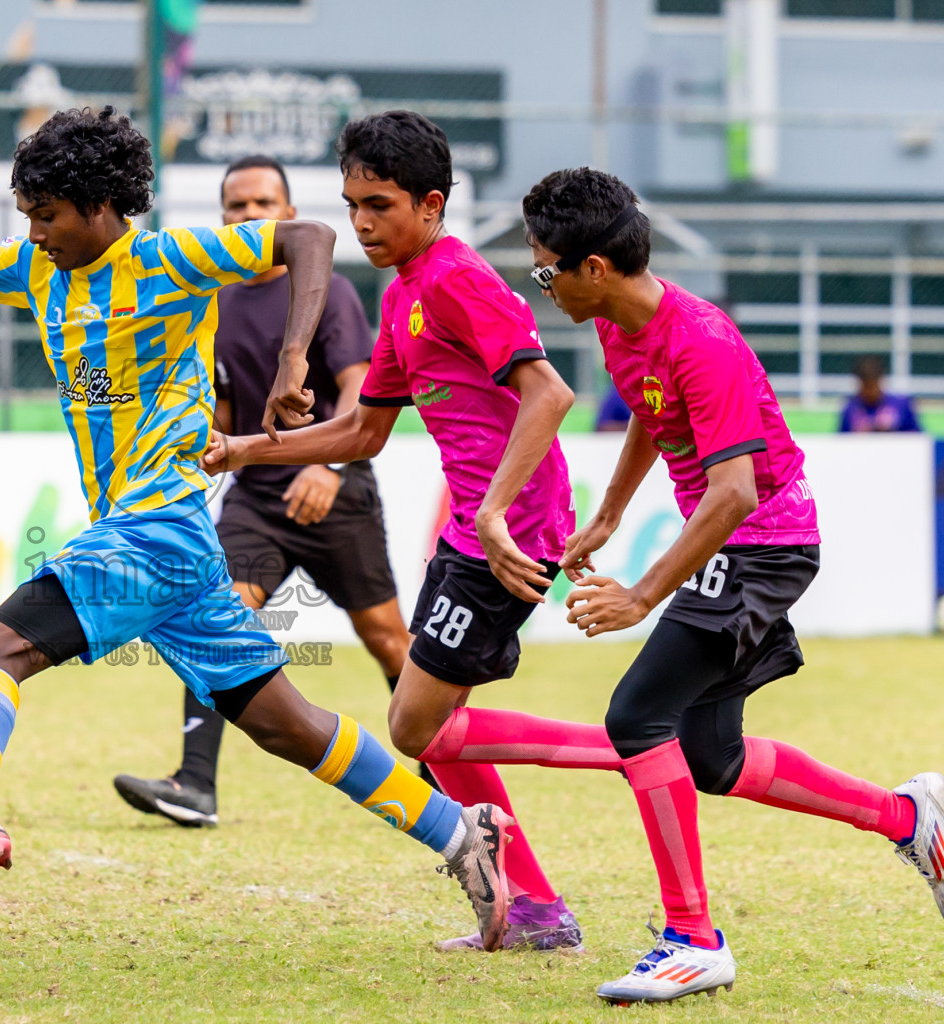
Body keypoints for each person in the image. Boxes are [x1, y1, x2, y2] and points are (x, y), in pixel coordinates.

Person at [0, 106, 517, 949]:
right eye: (27, 216)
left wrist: (295, 359)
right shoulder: (36, 266)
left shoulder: (168, 259)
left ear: (101, 207)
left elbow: (312, 241)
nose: (33, 233)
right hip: (173, 550)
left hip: (156, 529)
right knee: (283, 722)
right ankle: (458, 832)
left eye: (47, 216)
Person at [508, 166, 944, 1003]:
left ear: (592, 268)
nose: (542, 285)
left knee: (637, 716)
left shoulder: (700, 338)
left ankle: (692, 938)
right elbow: (648, 407)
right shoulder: (618, 324)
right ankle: (910, 819)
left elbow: (735, 492)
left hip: (763, 544)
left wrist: (639, 595)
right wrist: (607, 516)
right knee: (712, 757)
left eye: (544, 270)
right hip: (738, 541)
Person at [203, 111, 588, 952]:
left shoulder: (454, 277)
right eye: (351, 205)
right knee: (431, 724)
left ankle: (630, 751)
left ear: (431, 203)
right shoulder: (405, 292)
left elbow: (550, 395)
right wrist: (240, 450)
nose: (362, 223)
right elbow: (362, 433)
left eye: (379, 204)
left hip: (511, 531)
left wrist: (488, 512)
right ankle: (536, 908)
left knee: (416, 727)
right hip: (473, 535)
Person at [112, 153, 423, 829]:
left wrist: (331, 468)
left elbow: (357, 388)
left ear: (287, 214)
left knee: (387, 639)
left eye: (262, 204)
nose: (249, 216)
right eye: (236, 206)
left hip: (334, 487)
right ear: (223, 217)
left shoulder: (328, 291)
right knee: (214, 621)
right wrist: (170, 441)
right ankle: (195, 786)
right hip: (255, 496)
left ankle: (440, 777)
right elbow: (221, 416)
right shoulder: (214, 301)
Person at [839, 355, 921, 433]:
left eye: (873, 385)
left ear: (880, 380)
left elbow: (918, 436)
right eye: (866, 386)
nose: (870, 391)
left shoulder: (901, 404)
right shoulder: (851, 408)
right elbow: (840, 440)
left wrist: (893, 431)